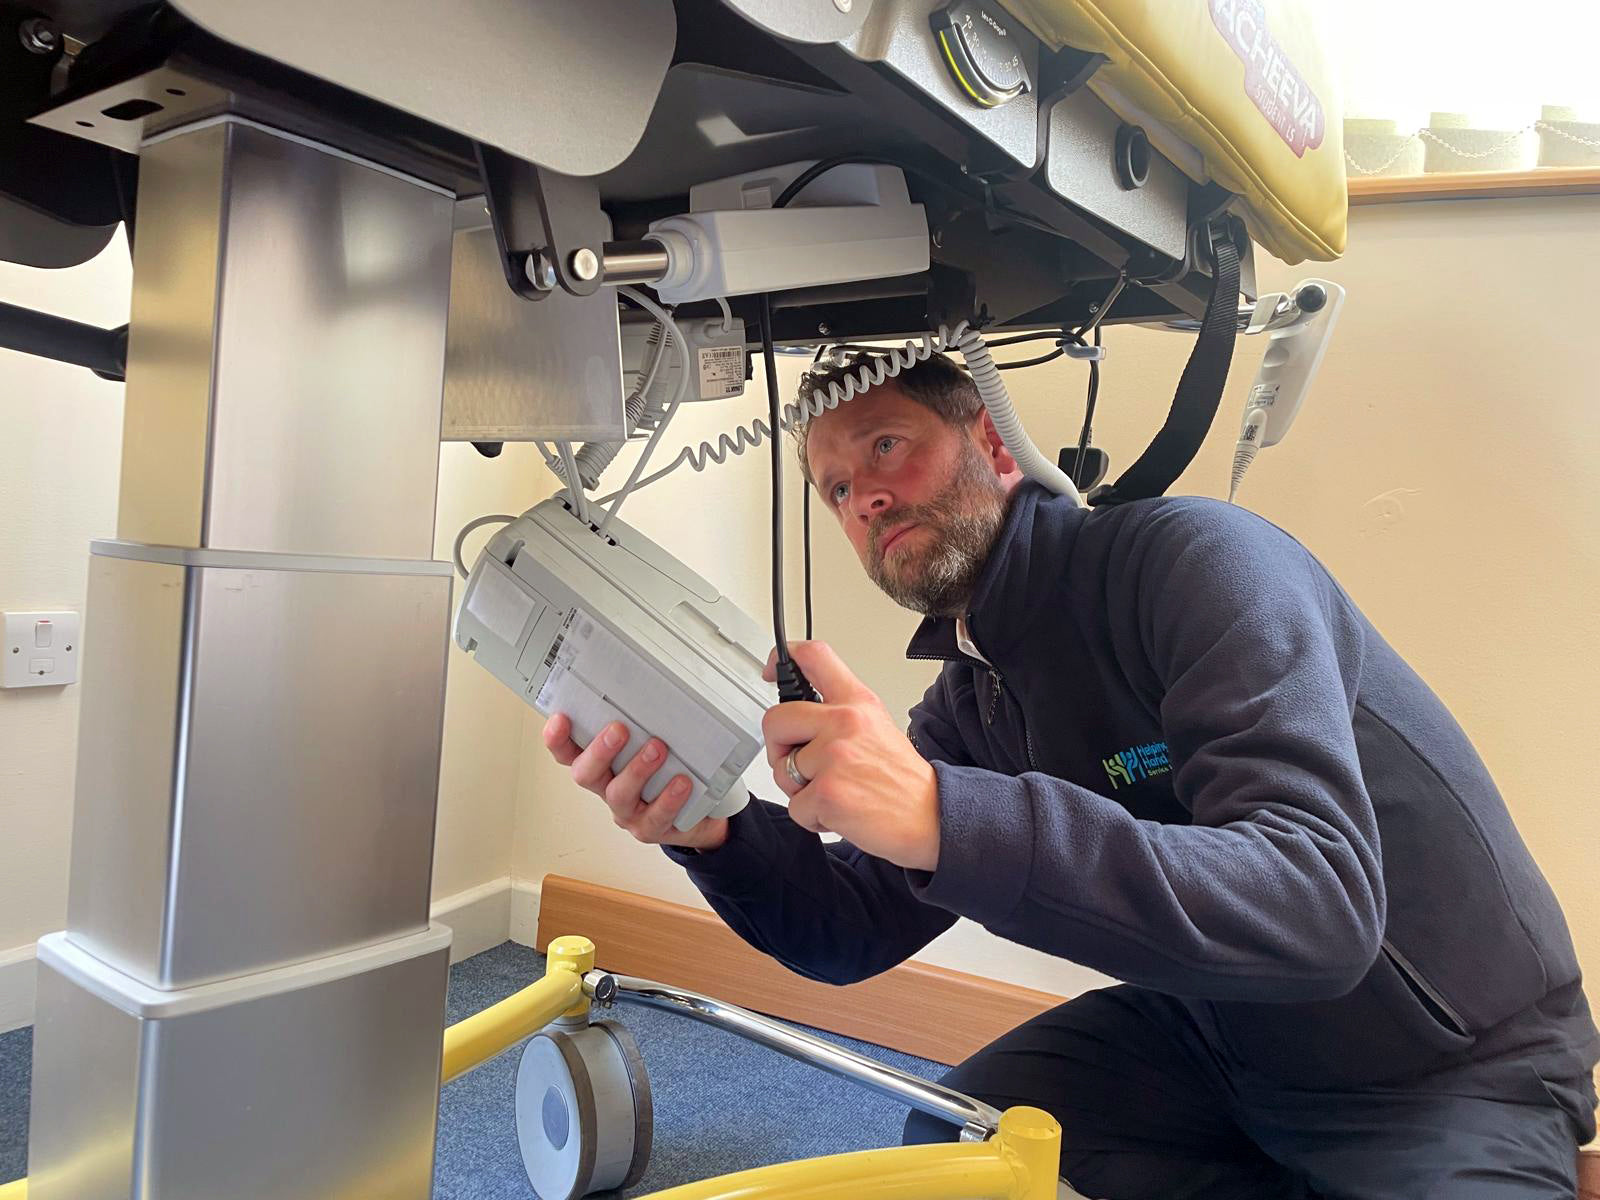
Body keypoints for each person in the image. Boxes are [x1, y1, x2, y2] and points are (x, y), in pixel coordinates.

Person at [543, 351, 1599, 1199]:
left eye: (887, 446)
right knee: (964, 1147)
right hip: (1217, 1039)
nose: (865, 496)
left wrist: (944, 816)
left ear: (993, 443)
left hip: (1444, 1066)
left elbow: (1319, 906)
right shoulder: (973, 696)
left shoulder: (1198, 562)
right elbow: (848, 929)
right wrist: (714, 829)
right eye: (836, 487)